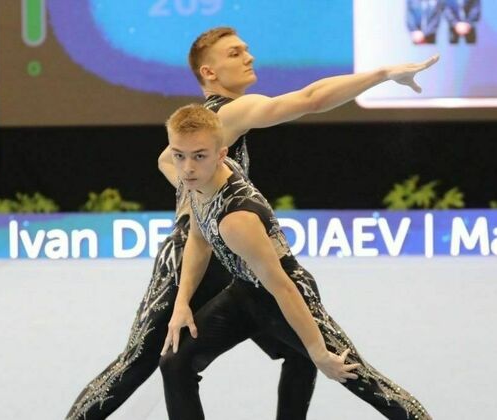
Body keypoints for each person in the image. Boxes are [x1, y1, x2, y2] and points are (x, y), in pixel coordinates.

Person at [65, 76, 316, 420]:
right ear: (209, 71)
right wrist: (379, 76)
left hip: (231, 255)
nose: (247, 57)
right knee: (138, 361)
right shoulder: (230, 112)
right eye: (235, 52)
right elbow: (311, 98)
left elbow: (165, 161)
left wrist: (196, 190)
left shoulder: (213, 120)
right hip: (190, 254)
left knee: (301, 349)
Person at [159, 104, 432, 420]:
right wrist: (182, 303)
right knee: (175, 362)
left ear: (222, 155)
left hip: (288, 294)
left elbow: (282, 288)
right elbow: (198, 238)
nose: (187, 168)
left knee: (358, 377)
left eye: (199, 156)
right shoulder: (196, 182)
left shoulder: (236, 221)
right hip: (245, 291)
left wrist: (319, 352)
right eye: (179, 156)